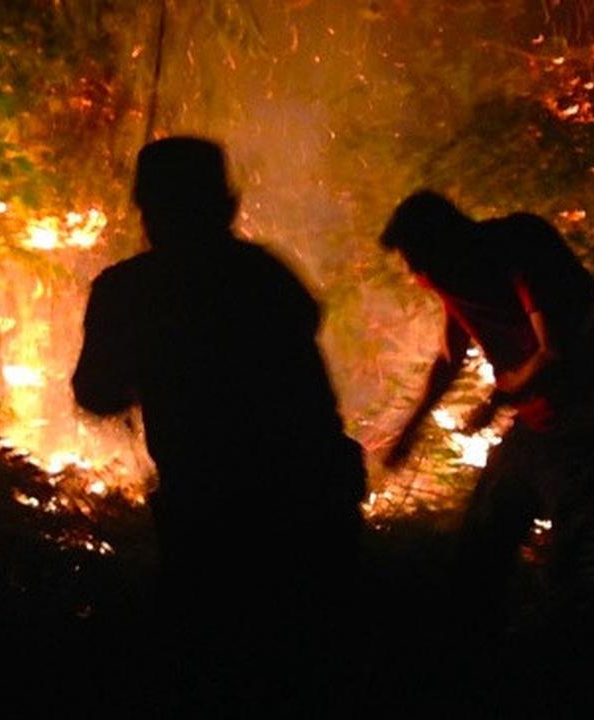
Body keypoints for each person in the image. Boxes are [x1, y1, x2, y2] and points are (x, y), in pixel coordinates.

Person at [71, 138, 364, 670]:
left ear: (146, 210)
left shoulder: (127, 290)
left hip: (213, 509)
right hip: (311, 495)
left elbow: (95, 392)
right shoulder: (266, 275)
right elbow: (301, 329)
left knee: (215, 655)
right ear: (227, 206)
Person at [379, 190, 594, 616]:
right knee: (477, 553)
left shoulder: (522, 247)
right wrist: (410, 429)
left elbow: (554, 351)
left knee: (580, 572)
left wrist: (497, 399)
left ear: (448, 244)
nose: (417, 275)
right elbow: (450, 356)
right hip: (539, 427)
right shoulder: (450, 274)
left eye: (420, 263)